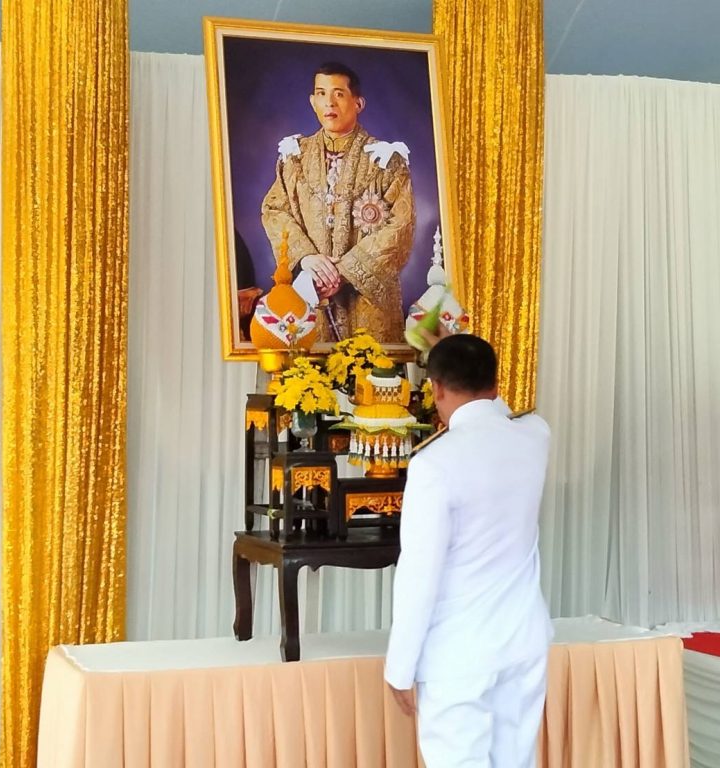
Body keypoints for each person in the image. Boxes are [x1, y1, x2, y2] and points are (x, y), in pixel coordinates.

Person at [384, 334, 553, 767]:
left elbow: (419, 574)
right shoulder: (536, 436)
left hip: (459, 652)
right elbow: (500, 414)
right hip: (523, 639)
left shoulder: (433, 464)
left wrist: (400, 666)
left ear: (436, 388)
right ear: (495, 382)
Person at [261, 62, 416, 342]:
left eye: (339, 94)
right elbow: (274, 210)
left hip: (367, 303)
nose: (329, 103)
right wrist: (307, 258)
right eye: (321, 93)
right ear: (312, 101)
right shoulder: (295, 158)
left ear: (358, 103)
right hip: (311, 292)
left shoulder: (385, 161)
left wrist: (343, 272)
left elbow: (400, 227)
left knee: (372, 367)